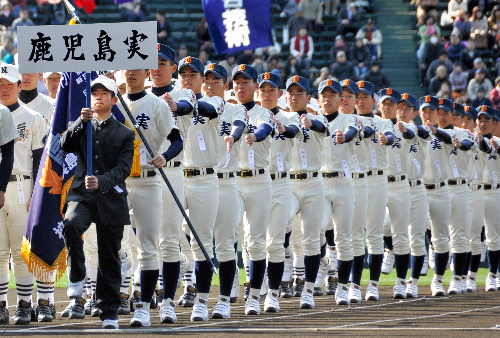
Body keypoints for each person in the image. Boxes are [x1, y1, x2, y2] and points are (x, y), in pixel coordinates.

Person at [60, 76, 134, 329]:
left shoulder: (124, 133)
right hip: (82, 195)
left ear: (114, 100)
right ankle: (78, 274)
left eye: (104, 93)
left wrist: (101, 180)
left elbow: (123, 168)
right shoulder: (81, 125)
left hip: (111, 197)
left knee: (109, 256)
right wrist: (81, 122)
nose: (98, 96)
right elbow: (64, 144)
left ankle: (109, 312)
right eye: (95, 93)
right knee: (70, 224)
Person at [355, 81, 395, 301]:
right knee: (352, 236)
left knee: (374, 235)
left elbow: (391, 138)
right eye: (357, 96)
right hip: (353, 180)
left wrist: (385, 138)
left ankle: (372, 284)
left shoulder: (382, 122)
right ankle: (352, 284)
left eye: (365, 97)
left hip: (377, 180)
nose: (361, 100)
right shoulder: (347, 120)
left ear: (373, 101)